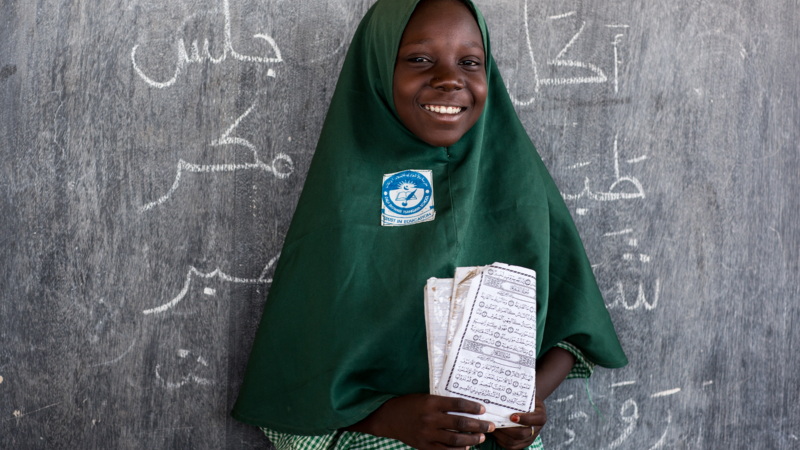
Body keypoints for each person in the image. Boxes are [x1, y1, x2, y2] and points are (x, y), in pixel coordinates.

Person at [231, 0, 628, 449]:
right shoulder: (343, 198)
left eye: (470, 62)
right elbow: (297, 386)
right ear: (379, 67)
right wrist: (386, 419)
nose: (449, 79)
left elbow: (573, 325)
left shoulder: (517, 181)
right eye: (420, 59)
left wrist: (527, 401)